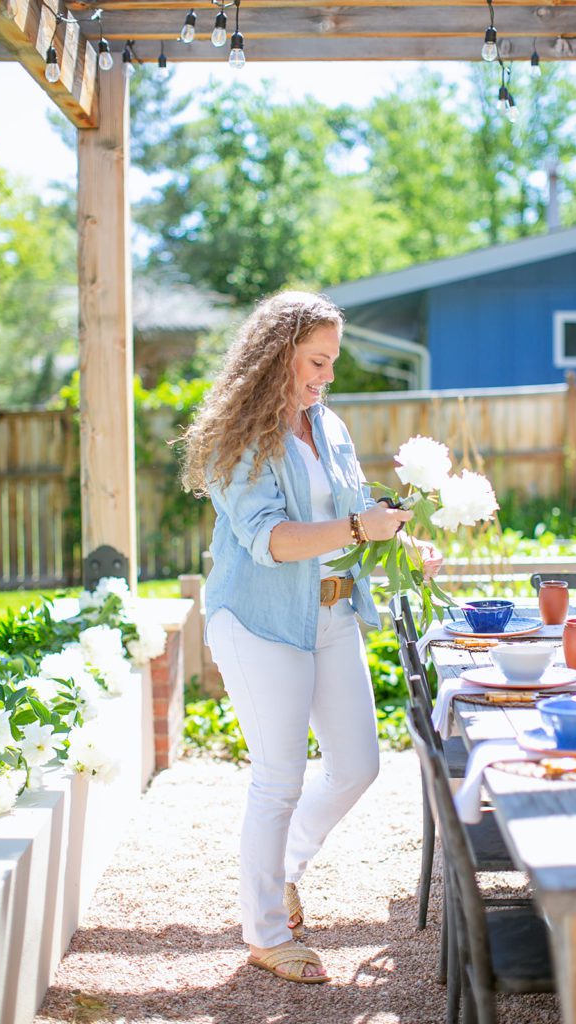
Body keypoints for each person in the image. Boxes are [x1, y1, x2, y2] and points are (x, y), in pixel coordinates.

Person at [181, 290, 441, 984]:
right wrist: (359, 529)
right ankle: (265, 931)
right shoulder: (239, 438)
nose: (325, 376)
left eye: (331, 362)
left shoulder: (327, 426)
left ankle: (283, 869)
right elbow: (270, 539)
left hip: (330, 614)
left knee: (358, 764)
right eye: (316, 361)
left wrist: (401, 545)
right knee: (278, 779)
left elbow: (353, 511)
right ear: (275, 356)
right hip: (261, 621)